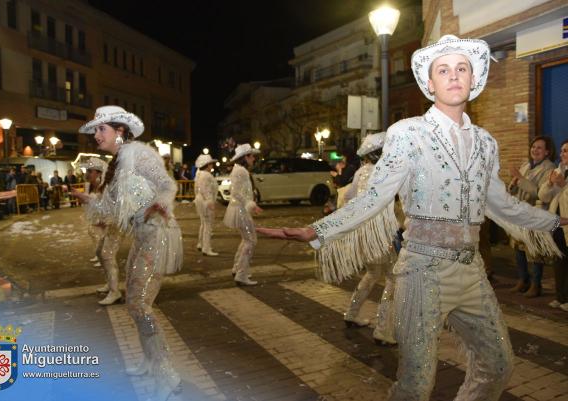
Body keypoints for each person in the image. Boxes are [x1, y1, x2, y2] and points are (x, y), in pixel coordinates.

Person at [258, 35, 567, 401]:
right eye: (444, 69)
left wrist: (554, 223)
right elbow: (376, 197)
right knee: (416, 384)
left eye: (462, 68)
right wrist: (317, 230)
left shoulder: (486, 142)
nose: (454, 76)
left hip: (471, 273)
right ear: (430, 82)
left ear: (473, 79)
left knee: (498, 366)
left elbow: (500, 204)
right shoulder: (407, 134)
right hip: (422, 270)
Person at [72, 105, 182, 399]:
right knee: (135, 304)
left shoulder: (139, 154)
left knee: (139, 306)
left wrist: (161, 203)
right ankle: (150, 362)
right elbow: (110, 207)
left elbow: (167, 185)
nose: (96, 134)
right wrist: (87, 199)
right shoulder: (118, 163)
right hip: (141, 238)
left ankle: (166, 374)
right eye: (95, 129)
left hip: (158, 235)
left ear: (120, 131)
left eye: (101, 129)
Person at [331, 132, 398, 346]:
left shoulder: (360, 172)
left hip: (364, 233)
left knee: (372, 273)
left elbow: (349, 197)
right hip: (380, 233)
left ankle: (351, 313)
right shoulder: (384, 171)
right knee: (393, 278)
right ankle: (383, 330)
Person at [508, 136, 556, 297]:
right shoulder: (526, 165)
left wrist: (521, 179)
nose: (535, 150)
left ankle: (536, 285)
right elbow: (515, 188)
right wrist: (513, 184)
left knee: (534, 250)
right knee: (518, 248)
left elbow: (539, 192)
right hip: (520, 212)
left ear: (547, 152)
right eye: (533, 147)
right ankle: (523, 280)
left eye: (539, 148)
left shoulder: (549, 169)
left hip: (535, 212)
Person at [82, 157, 123, 306]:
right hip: (109, 225)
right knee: (100, 253)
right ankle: (110, 285)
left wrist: (104, 222)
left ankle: (115, 291)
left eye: (90, 171)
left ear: (99, 173)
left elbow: (112, 208)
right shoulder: (97, 185)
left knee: (107, 255)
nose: (87, 174)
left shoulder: (106, 185)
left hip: (115, 225)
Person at [223, 143, 262, 286]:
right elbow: (236, 193)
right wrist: (250, 204)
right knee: (251, 240)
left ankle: (238, 268)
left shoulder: (238, 170)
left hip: (240, 209)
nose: (253, 159)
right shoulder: (241, 171)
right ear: (245, 157)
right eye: (252, 156)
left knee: (247, 239)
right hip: (241, 210)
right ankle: (241, 274)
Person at [539, 139, 568, 311]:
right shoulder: (558, 171)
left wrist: (563, 185)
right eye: (563, 150)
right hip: (557, 225)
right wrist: (550, 183)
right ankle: (560, 296)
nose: (563, 154)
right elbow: (543, 196)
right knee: (559, 262)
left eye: (567, 151)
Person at [194, 153, 219, 256]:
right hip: (205, 201)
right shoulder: (206, 175)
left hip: (200, 200)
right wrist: (209, 201)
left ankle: (201, 244)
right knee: (208, 225)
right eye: (211, 164)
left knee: (204, 223)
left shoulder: (199, 174)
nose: (212, 166)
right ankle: (206, 248)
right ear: (207, 165)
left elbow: (198, 189)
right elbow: (206, 190)